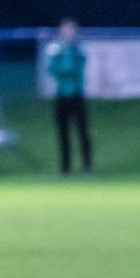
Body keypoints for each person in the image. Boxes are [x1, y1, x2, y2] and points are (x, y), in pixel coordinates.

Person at [44, 18, 93, 174]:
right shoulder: (55, 47)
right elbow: (52, 68)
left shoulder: (78, 46)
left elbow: (77, 67)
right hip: (61, 95)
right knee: (63, 132)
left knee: (83, 131)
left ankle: (87, 165)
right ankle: (65, 167)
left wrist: (67, 55)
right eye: (66, 29)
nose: (69, 32)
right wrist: (64, 59)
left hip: (77, 95)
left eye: (72, 29)